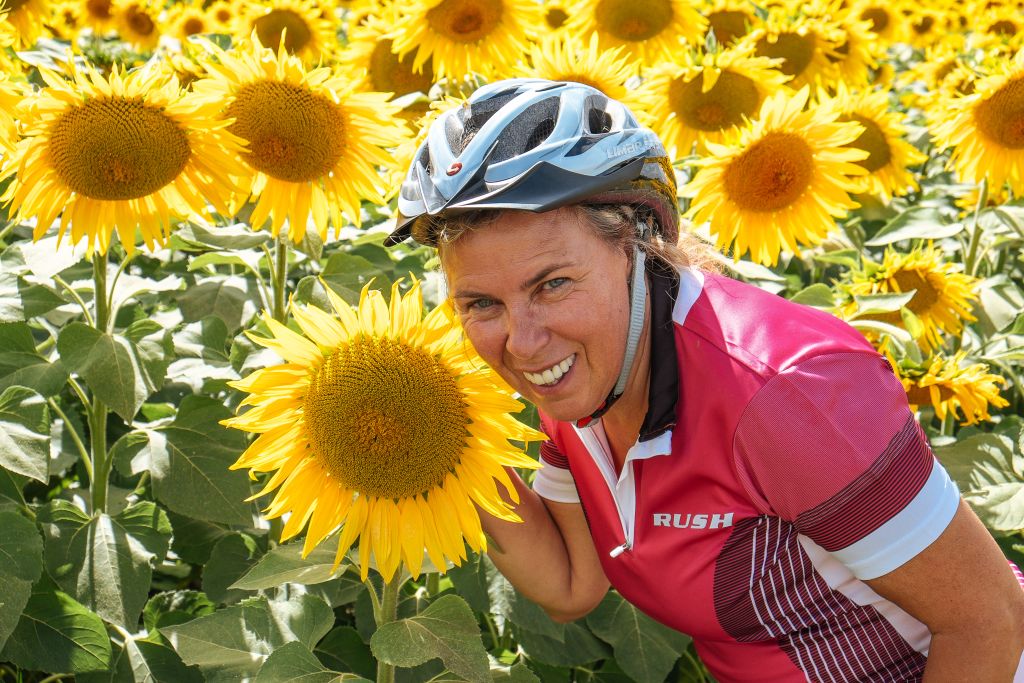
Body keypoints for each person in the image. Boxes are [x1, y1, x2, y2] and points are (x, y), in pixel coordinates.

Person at [385, 79, 1024, 682]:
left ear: (637, 243)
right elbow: (571, 585)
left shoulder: (785, 394)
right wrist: (437, 438)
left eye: (553, 285)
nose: (521, 343)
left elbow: (989, 619)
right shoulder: (577, 382)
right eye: (481, 304)